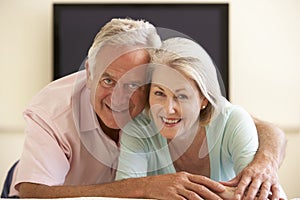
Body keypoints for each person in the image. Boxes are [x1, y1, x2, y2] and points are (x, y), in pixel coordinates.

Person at [7, 18, 286, 200]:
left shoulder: (163, 98)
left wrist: (264, 163)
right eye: (107, 80)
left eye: (133, 84)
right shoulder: (53, 110)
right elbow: (33, 193)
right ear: (89, 72)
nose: (118, 98)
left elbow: (263, 128)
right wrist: (142, 187)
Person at [116, 37, 286, 200]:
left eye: (182, 96)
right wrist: (228, 194)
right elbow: (124, 193)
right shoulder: (138, 130)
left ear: (204, 99)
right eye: (159, 93)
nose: (168, 109)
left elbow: (259, 194)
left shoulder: (232, 121)